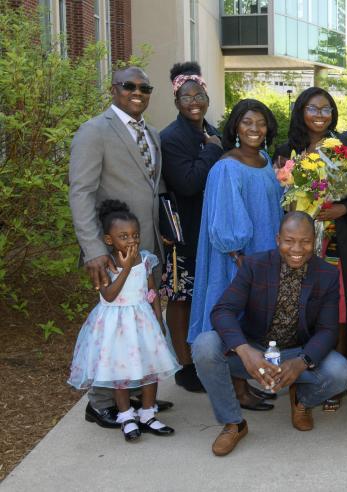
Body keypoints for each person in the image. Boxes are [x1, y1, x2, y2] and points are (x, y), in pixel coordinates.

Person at [192, 212, 347, 456]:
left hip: (296, 352)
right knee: (205, 345)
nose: (297, 248)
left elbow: (328, 331)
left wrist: (302, 362)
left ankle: (302, 401)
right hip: (254, 350)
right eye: (289, 240)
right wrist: (244, 350)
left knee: (340, 372)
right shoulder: (255, 266)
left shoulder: (327, 275)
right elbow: (222, 310)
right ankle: (234, 423)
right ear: (278, 239)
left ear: (315, 242)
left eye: (305, 241)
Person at [69, 65, 173, 429]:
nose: (138, 92)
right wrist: (94, 248)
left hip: (146, 252)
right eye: (129, 86)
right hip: (112, 254)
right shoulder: (94, 131)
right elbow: (80, 192)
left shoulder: (152, 134)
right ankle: (100, 403)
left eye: (145, 87)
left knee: (142, 326)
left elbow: (151, 188)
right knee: (113, 332)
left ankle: (137, 394)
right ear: (114, 89)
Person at [187, 98, 284, 414]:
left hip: (266, 252)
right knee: (235, 318)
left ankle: (248, 384)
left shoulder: (265, 160)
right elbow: (227, 221)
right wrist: (242, 260)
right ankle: (239, 390)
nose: (254, 128)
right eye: (247, 122)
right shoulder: (228, 166)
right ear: (236, 128)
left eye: (260, 123)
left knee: (254, 321)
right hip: (238, 260)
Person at [275, 87, 347, 378]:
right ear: (301, 111)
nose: (320, 115)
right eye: (313, 109)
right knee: (301, 303)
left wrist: (343, 209)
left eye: (326, 109)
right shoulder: (286, 150)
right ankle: (301, 370)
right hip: (299, 244)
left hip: (335, 240)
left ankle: (338, 371)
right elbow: (279, 197)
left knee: (339, 304)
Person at [68, 200, 180, 442]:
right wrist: (126, 269)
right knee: (122, 374)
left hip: (143, 323)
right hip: (116, 327)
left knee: (150, 370)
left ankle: (148, 413)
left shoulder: (146, 259)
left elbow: (151, 291)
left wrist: (158, 319)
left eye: (135, 235)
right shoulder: (105, 264)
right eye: (124, 236)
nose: (131, 241)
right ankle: (126, 416)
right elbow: (109, 295)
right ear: (109, 240)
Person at [159, 61, 224, 393]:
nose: (194, 101)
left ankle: (207, 356)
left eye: (199, 94)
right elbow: (185, 184)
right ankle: (185, 365)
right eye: (186, 96)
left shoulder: (210, 131)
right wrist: (212, 152)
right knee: (181, 297)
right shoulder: (171, 138)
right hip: (183, 233)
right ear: (176, 101)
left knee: (205, 294)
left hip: (209, 231)